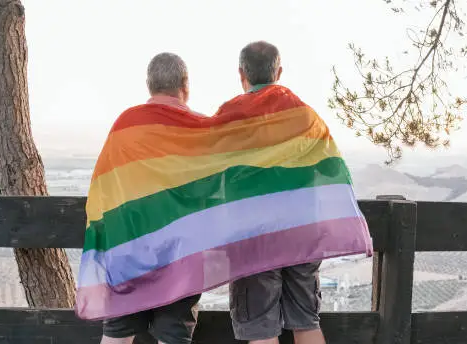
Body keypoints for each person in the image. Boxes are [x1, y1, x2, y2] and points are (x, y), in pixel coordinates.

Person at [221, 41, 328, 344]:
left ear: (241, 74)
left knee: (261, 328)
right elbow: (324, 170)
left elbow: (213, 172)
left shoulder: (230, 115)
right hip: (302, 232)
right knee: (307, 320)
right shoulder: (306, 116)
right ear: (279, 72)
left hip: (254, 235)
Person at [99, 52, 202, 344]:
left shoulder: (124, 125)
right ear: (186, 84)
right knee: (173, 337)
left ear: (149, 85)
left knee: (117, 336)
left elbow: (107, 187)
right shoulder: (200, 127)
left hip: (129, 251)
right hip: (180, 256)